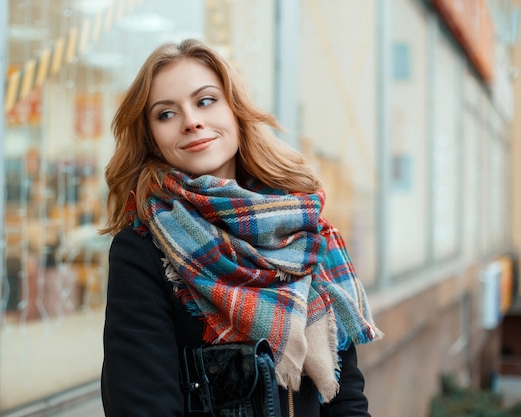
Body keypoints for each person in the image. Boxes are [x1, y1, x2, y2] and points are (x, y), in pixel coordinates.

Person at [100, 38, 382, 417]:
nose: (191, 121)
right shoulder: (142, 249)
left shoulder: (304, 231)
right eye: (166, 114)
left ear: (234, 109)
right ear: (152, 138)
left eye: (205, 101)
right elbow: (142, 404)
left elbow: (345, 396)